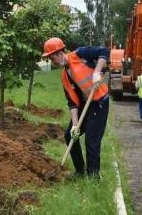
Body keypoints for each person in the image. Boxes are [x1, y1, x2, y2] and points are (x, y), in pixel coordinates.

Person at [42, 37, 109, 178]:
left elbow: (104, 51)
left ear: (59, 54)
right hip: (86, 104)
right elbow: (72, 102)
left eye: (51, 58)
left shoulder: (80, 54)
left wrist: (97, 72)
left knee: (91, 140)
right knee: (70, 135)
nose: (51, 62)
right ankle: (80, 171)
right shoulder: (64, 76)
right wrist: (75, 125)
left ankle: (93, 177)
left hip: (99, 102)